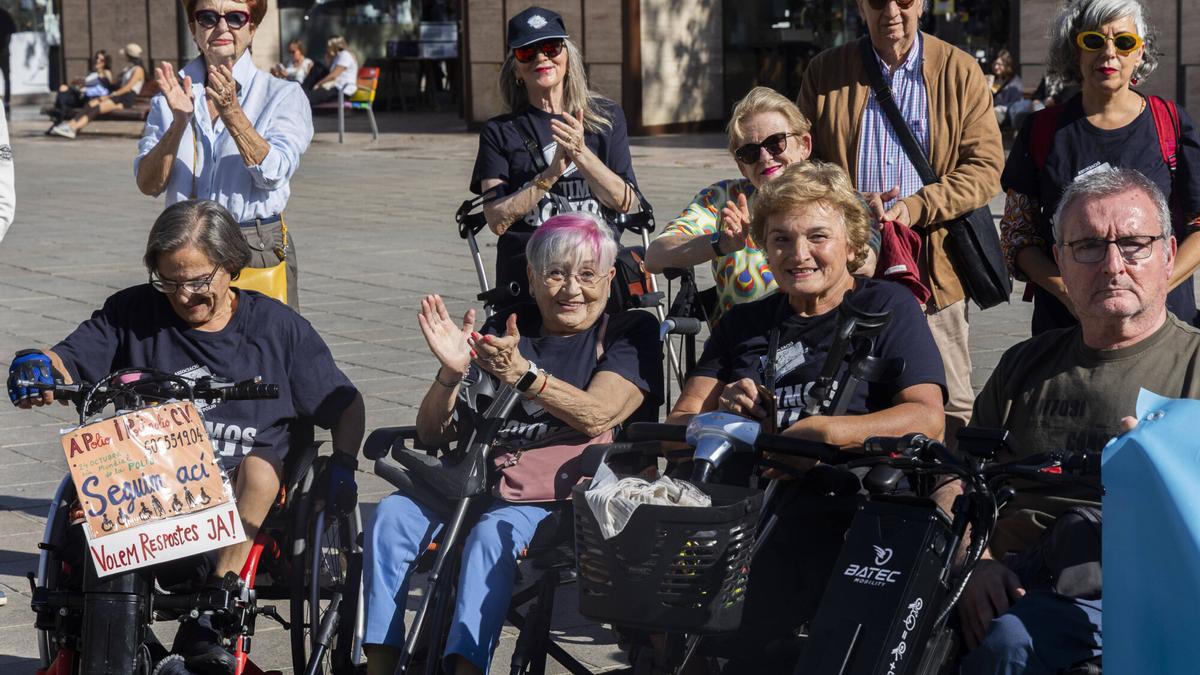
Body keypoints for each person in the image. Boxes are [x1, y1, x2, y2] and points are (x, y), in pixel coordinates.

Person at [6, 199, 364, 674]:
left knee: (259, 470)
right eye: (170, 282)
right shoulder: (133, 313)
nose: (184, 296)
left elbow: (345, 404)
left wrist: (343, 464)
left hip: (237, 503)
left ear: (231, 267)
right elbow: (68, 357)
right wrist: (37, 367)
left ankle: (212, 610)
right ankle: (120, 641)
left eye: (198, 281)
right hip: (148, 486)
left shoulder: (279, 331)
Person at [666, 161, 946, 671]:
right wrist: (723, 412)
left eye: (818, 236)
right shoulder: (743, 322)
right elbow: (675, 429)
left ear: (851, 242)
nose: (799, 255)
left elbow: (928, 418)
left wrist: (821, 435)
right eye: (780, 240)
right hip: (747, 519)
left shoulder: (887, 306)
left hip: (848, 515)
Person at [363, 212, 663, 675]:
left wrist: (523, 376)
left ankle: (466, 668)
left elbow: (598, 413)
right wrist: (449, 373)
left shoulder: (628, 332)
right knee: (391, 516)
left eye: (586, 275)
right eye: (556, 273)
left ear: (607, 278)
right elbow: (432, 435)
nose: (571, 290)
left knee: (488, 537)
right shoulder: (505, 328)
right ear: (532, 276)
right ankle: (382, 664)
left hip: (555, 495)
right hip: (469, 483)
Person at [955, 167, 1199, 673]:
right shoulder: (1023, 366)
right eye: (1087, 245)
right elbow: (958, 479)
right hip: (1010, 577)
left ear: (1169, 254)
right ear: (1061, 259)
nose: (1113, 264)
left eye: (1134, 244)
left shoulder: (1194, 364)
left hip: (1140, 592)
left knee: (1010, 644)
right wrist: (973, 564)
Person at [797, 0, 1004, 445]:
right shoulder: (825, 71)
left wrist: (915, 207)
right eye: (876, 1)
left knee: (947, 403)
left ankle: (943, 504)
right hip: (848, 269)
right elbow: (804, 166)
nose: (891, 10)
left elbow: (985, 168)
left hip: (935, 269)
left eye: (904, 0)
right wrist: (850, 201)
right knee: (848, 395)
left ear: (923, 3)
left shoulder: (959, 70)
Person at [999, 0, 1200, 336]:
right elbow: (1017, 236)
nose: (1109, 53)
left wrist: (1156, 288)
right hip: (1068, 329)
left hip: (1162, 328)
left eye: (1123, 42)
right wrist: (1070, 294)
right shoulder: (1042, 130)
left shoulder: (1171, 124)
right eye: (1093, 40)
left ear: (1140, 53)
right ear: (1075, 50)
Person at [135, 0, 313, 310]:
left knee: (264, 349)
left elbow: (274, 173)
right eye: (207, 17)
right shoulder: (171, 95)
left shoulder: (282, 95)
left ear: (252, 27)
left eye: (235, 17)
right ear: (193, 28)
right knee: (184, 352)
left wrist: (232, 112)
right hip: (183, 247)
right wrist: (178, 124)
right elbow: (149, 184)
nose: (221, 27)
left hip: (251, 243)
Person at [470, 6, 638, 310]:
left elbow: (627, 201)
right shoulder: (499, 131)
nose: (541, 58)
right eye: (527, 53)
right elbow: (495, 219)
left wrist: (580, 153)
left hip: (595, 277)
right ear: (516, 69)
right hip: (532, 280)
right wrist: (549, 175)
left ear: (568, 58)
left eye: (551, 48)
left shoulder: (606, 118)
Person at [48, 43, 146, 139]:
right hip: (119, 96)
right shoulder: (129, 68)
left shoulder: (138, 70)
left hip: (125, 97)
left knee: (96, 108)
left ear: (128, 56)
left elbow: (128, 88)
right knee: (91, 104)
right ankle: (71, 124)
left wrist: (111, 95)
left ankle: (74, 128)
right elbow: (114, 82)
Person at [48, 50, 113, 125]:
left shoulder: (106, 72)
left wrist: (85, 84)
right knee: (63, 87)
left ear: (106, 62)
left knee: (66, 93)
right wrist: (80, 83)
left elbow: (108, 85)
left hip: (90, 98)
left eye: (101, 60)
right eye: (96, 58)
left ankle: (60, 115)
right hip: (80, 95)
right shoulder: (92, 73)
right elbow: (85, 83)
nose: (97, 61)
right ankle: (60, 113)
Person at [306, 36, 358, 106]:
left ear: (334, 46)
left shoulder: (345, 55)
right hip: (335, 89)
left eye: (329, 46)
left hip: (341, 91)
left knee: (308, 97)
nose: (327, 49)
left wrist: (318, 84)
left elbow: (333, 76)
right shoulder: (338, 56)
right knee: (309, 94)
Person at [989, 48, 1024, 128]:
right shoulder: (994, 79)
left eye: (999, 64)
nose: (996, 67)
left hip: (1007, 114)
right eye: (994, 64)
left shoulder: (1015, 81)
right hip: (993, 113)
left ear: (1007, 65)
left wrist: (997, 108)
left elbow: (1015, 103)